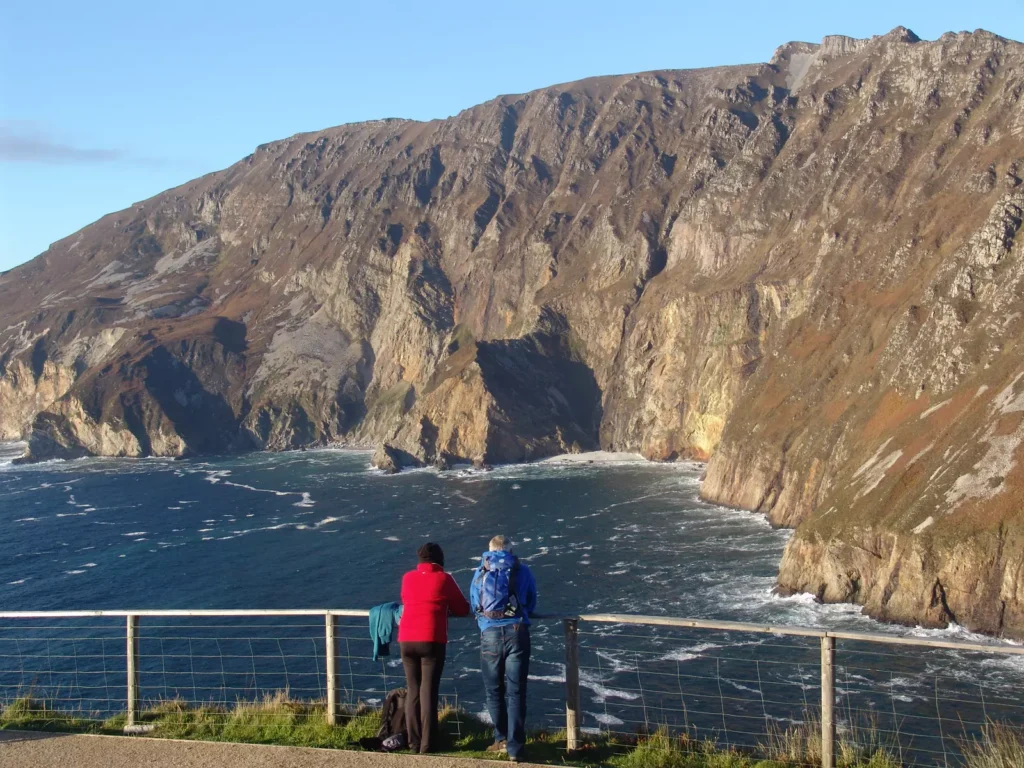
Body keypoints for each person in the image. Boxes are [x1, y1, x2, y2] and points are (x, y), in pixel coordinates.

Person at [470, 535, 538, 763]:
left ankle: (499, 739)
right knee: (516, 692)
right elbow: (531, 599)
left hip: (489, 634)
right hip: (517, 632)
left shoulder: (480, 571)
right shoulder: (522, 570)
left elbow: (474, 602)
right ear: (510, 550)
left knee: (493, 690)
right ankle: (515, 748)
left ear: (489, 551)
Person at [398, 542, 471, 753]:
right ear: (440, 561)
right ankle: (427, 745)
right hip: (430, 639)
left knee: (413, 690)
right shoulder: (444, 578)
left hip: (406, 638)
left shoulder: (407, 578)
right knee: (428, 691)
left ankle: (413, 743)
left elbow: (405, 599)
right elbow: (462, 607)